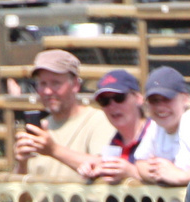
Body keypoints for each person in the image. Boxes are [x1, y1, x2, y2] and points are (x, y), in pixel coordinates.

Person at [11, 50, 116, 183]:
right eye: (43, 84)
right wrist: (22, 164)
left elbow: (103, 167)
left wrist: (53, 150)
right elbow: (23, 199)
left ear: (76, 85)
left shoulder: (98, 120)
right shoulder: (39, 129)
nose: (48, 91)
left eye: (56, 83)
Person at [79, 69, 150, 182]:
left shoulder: (157, 133)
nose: (112, 106)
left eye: (119, 98)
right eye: (104, 101)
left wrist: (132, 172)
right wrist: (95, 171)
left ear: (138, 98)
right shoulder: (114, 143)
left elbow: (171, 177)